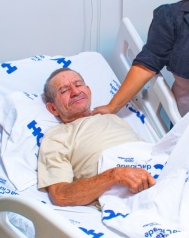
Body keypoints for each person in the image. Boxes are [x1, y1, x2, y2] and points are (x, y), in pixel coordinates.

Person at [39, 68, 156, 206]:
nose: (76, 92)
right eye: (64, 91)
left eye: (78, 85)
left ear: (89, 90)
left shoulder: (112, 118)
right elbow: (60, 195)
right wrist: (114, 175)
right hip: (129, 197)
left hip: (160, 172)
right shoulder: (57, 137)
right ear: (53, 109)